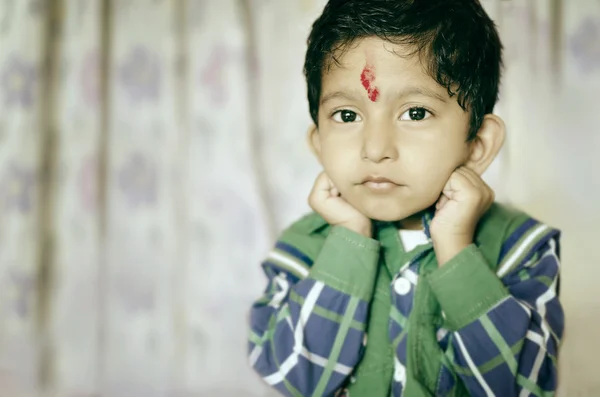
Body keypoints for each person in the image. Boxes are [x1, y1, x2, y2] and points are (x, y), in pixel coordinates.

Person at [247, 1, 564, 396]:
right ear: (318, 143)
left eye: (415, 113)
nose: (376, 148)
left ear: (478, 144)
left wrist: (456, 249)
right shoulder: (304, 248)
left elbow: (518, 388)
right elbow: (294, 377)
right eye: (347, 116)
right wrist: (350, 238)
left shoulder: (521, 248)